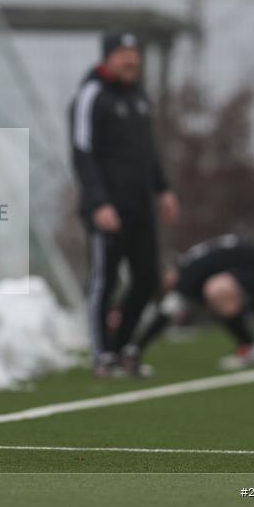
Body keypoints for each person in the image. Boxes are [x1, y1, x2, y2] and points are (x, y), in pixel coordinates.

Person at [69, 31, 180, 378]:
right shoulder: (91, 95)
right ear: (107, 58)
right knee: (105, 280)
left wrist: (163, 189)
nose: (131, 60)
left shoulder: (139, 98)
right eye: (123, 54)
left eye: (135, 53)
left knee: (147, 279)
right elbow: (82, 152)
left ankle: (122, 350)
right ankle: (102, 355)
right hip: (107, 209)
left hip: (140, 207)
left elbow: (149, 150)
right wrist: (99, 202)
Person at [128, 234, 254, 371]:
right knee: (216, 295)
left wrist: (137, 347)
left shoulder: (188, 272)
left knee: (216, 290)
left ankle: (251, 348)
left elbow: (168, 310)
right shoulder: (190, 260)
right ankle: (249, 347)